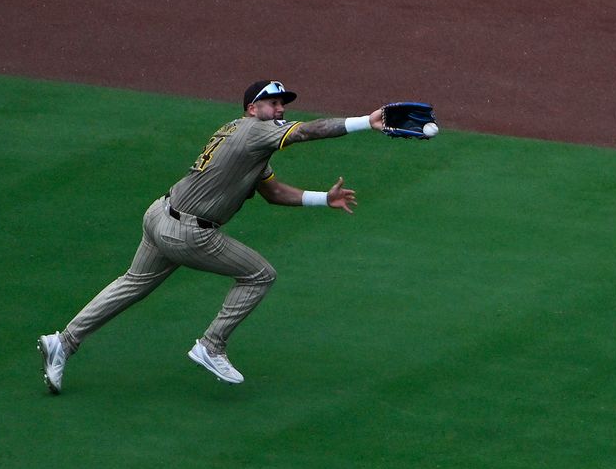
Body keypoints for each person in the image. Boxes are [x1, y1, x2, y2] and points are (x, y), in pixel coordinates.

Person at [38, 80, 386, 393]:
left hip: (160, 214)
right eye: (272, 103)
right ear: (252, 108)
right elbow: (307, 132)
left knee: (133, 283)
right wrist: (364, 123)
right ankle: (211, 345)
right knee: (259, 274)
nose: (280, 110)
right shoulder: (255, 131)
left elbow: (273, 193)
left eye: (283, 104)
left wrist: (323, 199)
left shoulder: (242, 136)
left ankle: (64, 342)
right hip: (188, 233)